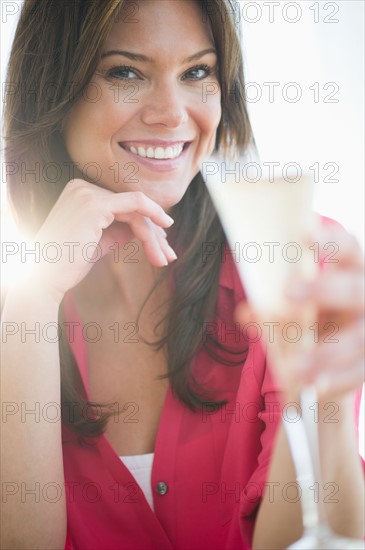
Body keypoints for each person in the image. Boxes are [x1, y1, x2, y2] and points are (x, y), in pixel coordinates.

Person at [1, 1, 364, 549]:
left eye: (198, 72)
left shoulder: (290, 262)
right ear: (54, 92)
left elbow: (311, 538)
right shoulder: (17, 314)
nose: (173, 114)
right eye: (125, 71)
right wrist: (30, 304)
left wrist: (329, 402)